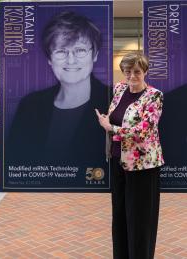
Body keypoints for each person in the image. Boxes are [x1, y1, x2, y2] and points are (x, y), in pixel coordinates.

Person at [6, 11, 109, 168]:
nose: (71, 60)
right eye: (61, 51)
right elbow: (15, 158)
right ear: (49, 59)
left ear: (95, 54)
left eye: (80, 50)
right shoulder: (30, 105)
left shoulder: (113, 100)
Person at [95, 52, 164, 259]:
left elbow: (145, 131)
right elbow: (118, 116)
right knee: (120, 217)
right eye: (127, 71)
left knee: (140, 219)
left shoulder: (154, 96)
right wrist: (108, 120)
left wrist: (112, 128)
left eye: (136, 72)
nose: (132, 76)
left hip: (143, 166)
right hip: (118, 161)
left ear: (145, 72)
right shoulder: (119, 89)